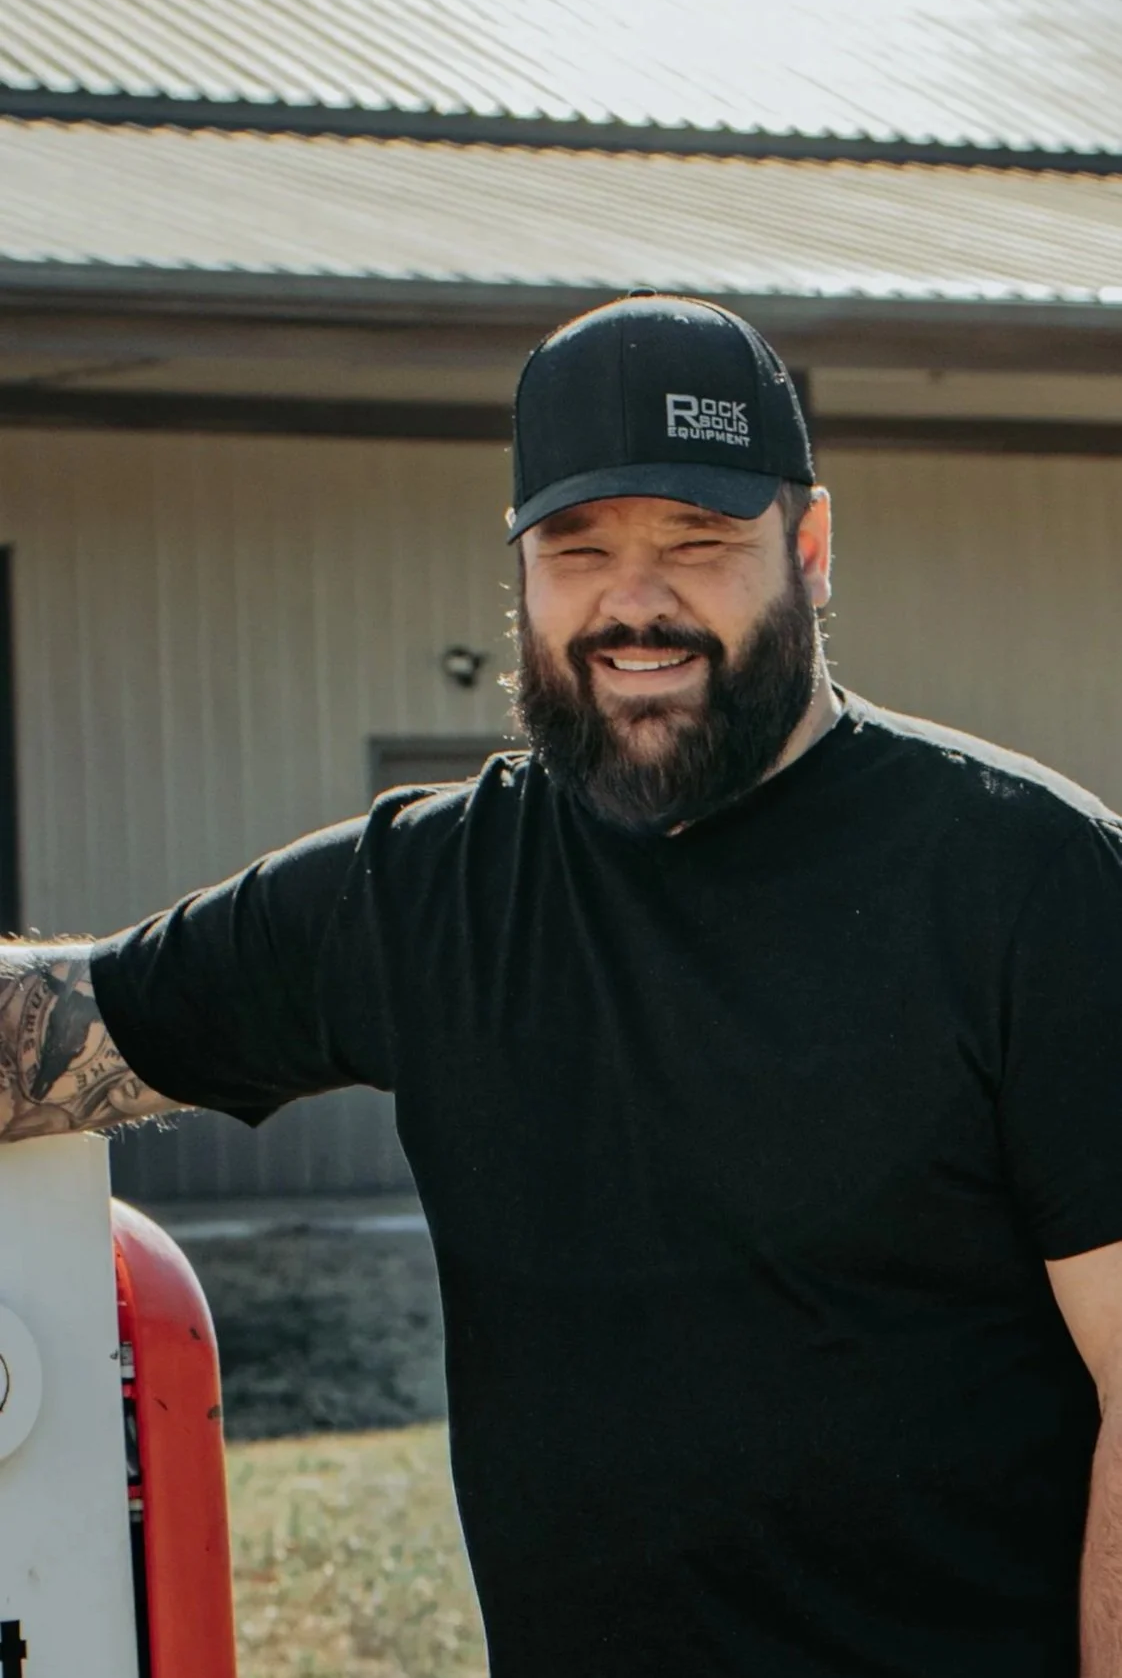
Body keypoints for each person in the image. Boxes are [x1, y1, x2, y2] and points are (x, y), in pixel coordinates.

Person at [1, 293, 1121, 1678]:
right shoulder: (428, 893)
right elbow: (62, 1028)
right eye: (578, 548)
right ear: (521, 572)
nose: (634, 602)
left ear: (811, 549)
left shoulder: (1028, 881)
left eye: (697, 541)